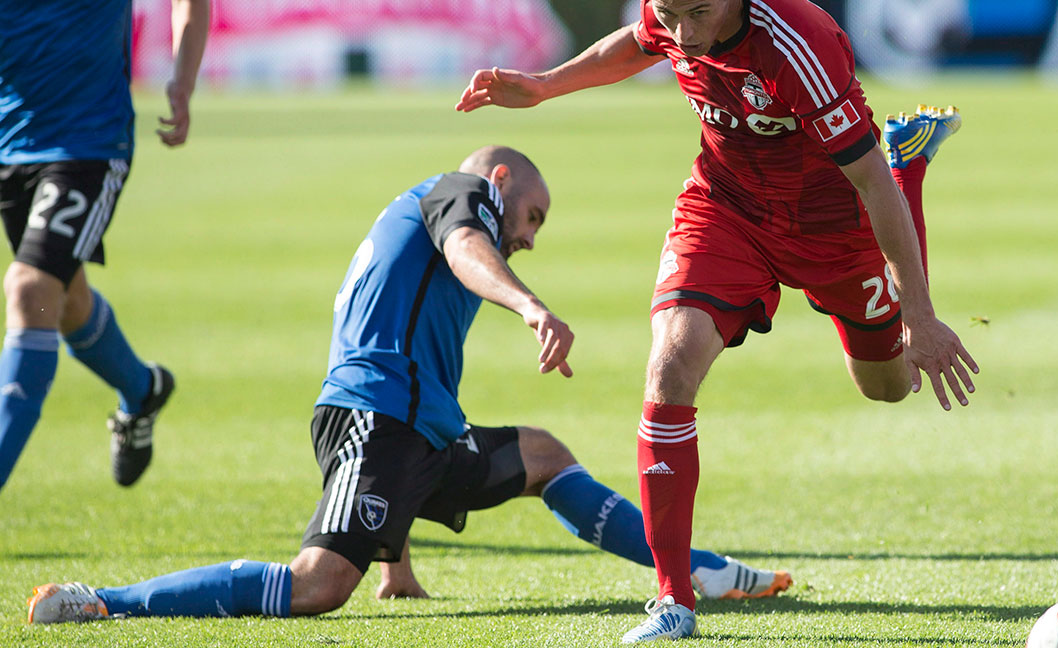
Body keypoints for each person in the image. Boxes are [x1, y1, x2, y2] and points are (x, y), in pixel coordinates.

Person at [455, 0, 979, 641]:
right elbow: (634, 44)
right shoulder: (671, 16)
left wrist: (918, 310)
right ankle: (674, 602)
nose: (683, 32)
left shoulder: (798, 40)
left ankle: (908, 162)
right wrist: (545, 86)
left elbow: (865, 181)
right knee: (670, 365)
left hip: (835, 224)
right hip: (727, 208)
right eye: (669, 13)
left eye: (698, 13)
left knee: (887, 386)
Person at [26, 146, 791, 625]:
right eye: (532, 215)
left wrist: (398, 561)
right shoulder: (457, 196)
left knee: (545, 456)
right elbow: (465, 248)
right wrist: (529, 304)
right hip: (374, 418)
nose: (529, 235)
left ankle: (692, 571)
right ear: (498, 182)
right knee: (317, 587)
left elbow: (420, 345)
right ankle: (105, 601)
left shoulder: (433, 226)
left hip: (415, 427)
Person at [0, 0, 211, 492]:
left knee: (29, 289)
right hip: (9, 143)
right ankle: (143, 391)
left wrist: (182, 85)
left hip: (89, 146)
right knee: (65, 302)